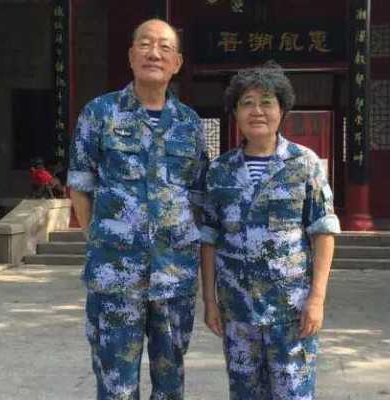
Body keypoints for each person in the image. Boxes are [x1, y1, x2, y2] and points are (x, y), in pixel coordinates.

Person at [67, 19, 207, 400]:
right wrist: (98, 238)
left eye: (164, 47)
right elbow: (80, 184)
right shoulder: (100, 113)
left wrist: (177, 242)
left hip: (173, 278)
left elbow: (197, 194)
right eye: (145, 44)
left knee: (170, 384)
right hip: (115, 276)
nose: (154, 53)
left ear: (177, 62)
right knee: (116, 385)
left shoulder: (190, 124)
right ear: (131, 56)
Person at [200, 61, 340, 399]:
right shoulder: (220, 170)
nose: (257, 111)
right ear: (235, 112)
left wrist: (317, 299)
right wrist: (210, 301)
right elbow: (209, 238)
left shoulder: (304, 163)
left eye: (266, 102)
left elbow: (323, 231)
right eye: (247, 103)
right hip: (238, 312)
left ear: (282, 110)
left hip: (291, 311)